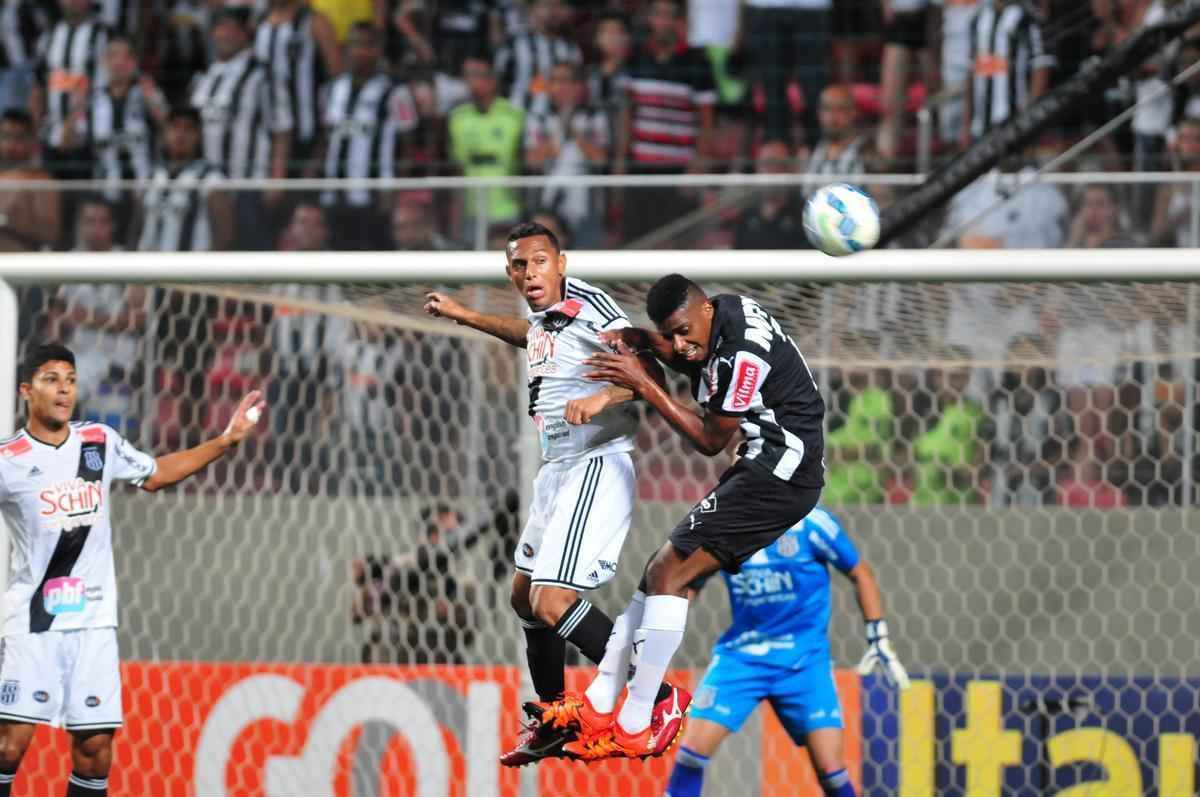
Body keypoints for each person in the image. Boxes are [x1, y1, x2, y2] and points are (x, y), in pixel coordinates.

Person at [542, 273, 827, 761]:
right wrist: (642, 339)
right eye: (669, 333)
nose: (679, 344)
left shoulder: (741, 354)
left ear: (706, 310)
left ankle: (640, 722)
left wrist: (643, 385)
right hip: (767, 466)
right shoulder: (721, 316)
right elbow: (690, 355)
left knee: (669, 573)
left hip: (781, 472)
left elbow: (710, 440)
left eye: (682, 331)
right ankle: (600, 702)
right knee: (661, 570)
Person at [423, 221, 670, 766]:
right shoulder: (546, 318)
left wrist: (605, 396)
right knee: (523, 598)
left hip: (595, 465)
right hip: (558, 469)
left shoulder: (593, 305)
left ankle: (656, 695)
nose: (529, 272)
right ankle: (558, 714)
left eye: (539, 261)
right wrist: (465, 315)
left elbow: (651, 372)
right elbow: (528, 335)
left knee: (551, 600)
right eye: (518, 265)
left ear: (561, 263)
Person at [0, 343, 263, 797]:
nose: (63, 389)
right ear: (26, 390)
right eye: (50, 379)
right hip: (31, 622)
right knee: (7, 747)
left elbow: (157, 473)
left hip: (95, 623)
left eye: (70, 379)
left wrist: (226, 441)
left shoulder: (99, 441)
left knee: (95, 750)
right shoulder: (8, 458)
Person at [664, 506, 909, 797]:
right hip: (741, 658)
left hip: (804, 662)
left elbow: (859, 571)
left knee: (832, 771)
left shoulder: (812, 523)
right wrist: (660, 628)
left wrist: (878, 636)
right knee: (690, 754)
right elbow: (692, 583)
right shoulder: (725, 523)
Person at [318, 22, 419, 249]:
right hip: (333, 195)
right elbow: (325, 141)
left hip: (375, 197)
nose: (360, 51)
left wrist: (395, 189)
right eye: (355, 44)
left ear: (379, 50)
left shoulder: (396, 91)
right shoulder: (331, 90)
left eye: (368, 45)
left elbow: (408, 144)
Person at [62, 35, 167, 241]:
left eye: (126, 57)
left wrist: (153, 101)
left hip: (146, 194)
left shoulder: (148, 93)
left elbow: (171, 131)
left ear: (135, 62)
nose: (119, 62)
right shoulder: (92, 99)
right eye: (113, 56)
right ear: (104, 62)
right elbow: (67, 143)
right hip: (104, 197)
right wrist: (75, 110)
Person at [523, 61, 609, 248]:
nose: (558, 87)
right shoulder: (539, 116)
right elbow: (533, 160)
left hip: (586, 202)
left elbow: (600, 158)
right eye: (553, 81)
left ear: (579, 86)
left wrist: (574, 130)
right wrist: (558, 132)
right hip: (547, 201)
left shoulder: (595, 115)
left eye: (564, 81)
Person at [254, 0, 341, 178]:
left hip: (307, 131)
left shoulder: (314, 22)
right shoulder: (259, 23)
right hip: (266, 133)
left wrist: (324, 140)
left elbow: (338, 79)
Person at [446, 55, 524, 239]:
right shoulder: (457, 117)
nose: (470, 81)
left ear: (492, 80)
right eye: (467, 76)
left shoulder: (514, 115)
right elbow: (457, 169)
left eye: (475, 75)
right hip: (471, 210)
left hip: (508, 208)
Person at [136, 107, 233, 251]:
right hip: (147, 270)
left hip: (191, 270)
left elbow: (225, 235)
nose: (180, 135)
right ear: (165, 133)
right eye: (175, 127)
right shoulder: (152, 176)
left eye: (188, 129)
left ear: (198, 136)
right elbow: (136, 228)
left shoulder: (211, 179)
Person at [493, 0, 581, 114]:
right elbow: (496, 80)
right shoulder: (513, 44)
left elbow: (573, 91)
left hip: (553, 121)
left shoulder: (571, 49)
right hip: (515, 116)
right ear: (532, 10)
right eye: (546, 5)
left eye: (559, 6)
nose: (553, 11)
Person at [0, 108, 61, 251]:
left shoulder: (42, 181)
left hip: (24, 265)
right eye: (5, 136)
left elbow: (51, 235)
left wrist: (9, 221)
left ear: (32, 141)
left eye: (19, 137)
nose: (11, 144)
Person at [733, 140, 808, 250]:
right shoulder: (746, 216)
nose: (771, 172)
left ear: (789, 170)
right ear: (757, 169)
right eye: (766, 165)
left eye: (779, 165)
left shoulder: (804, 216)